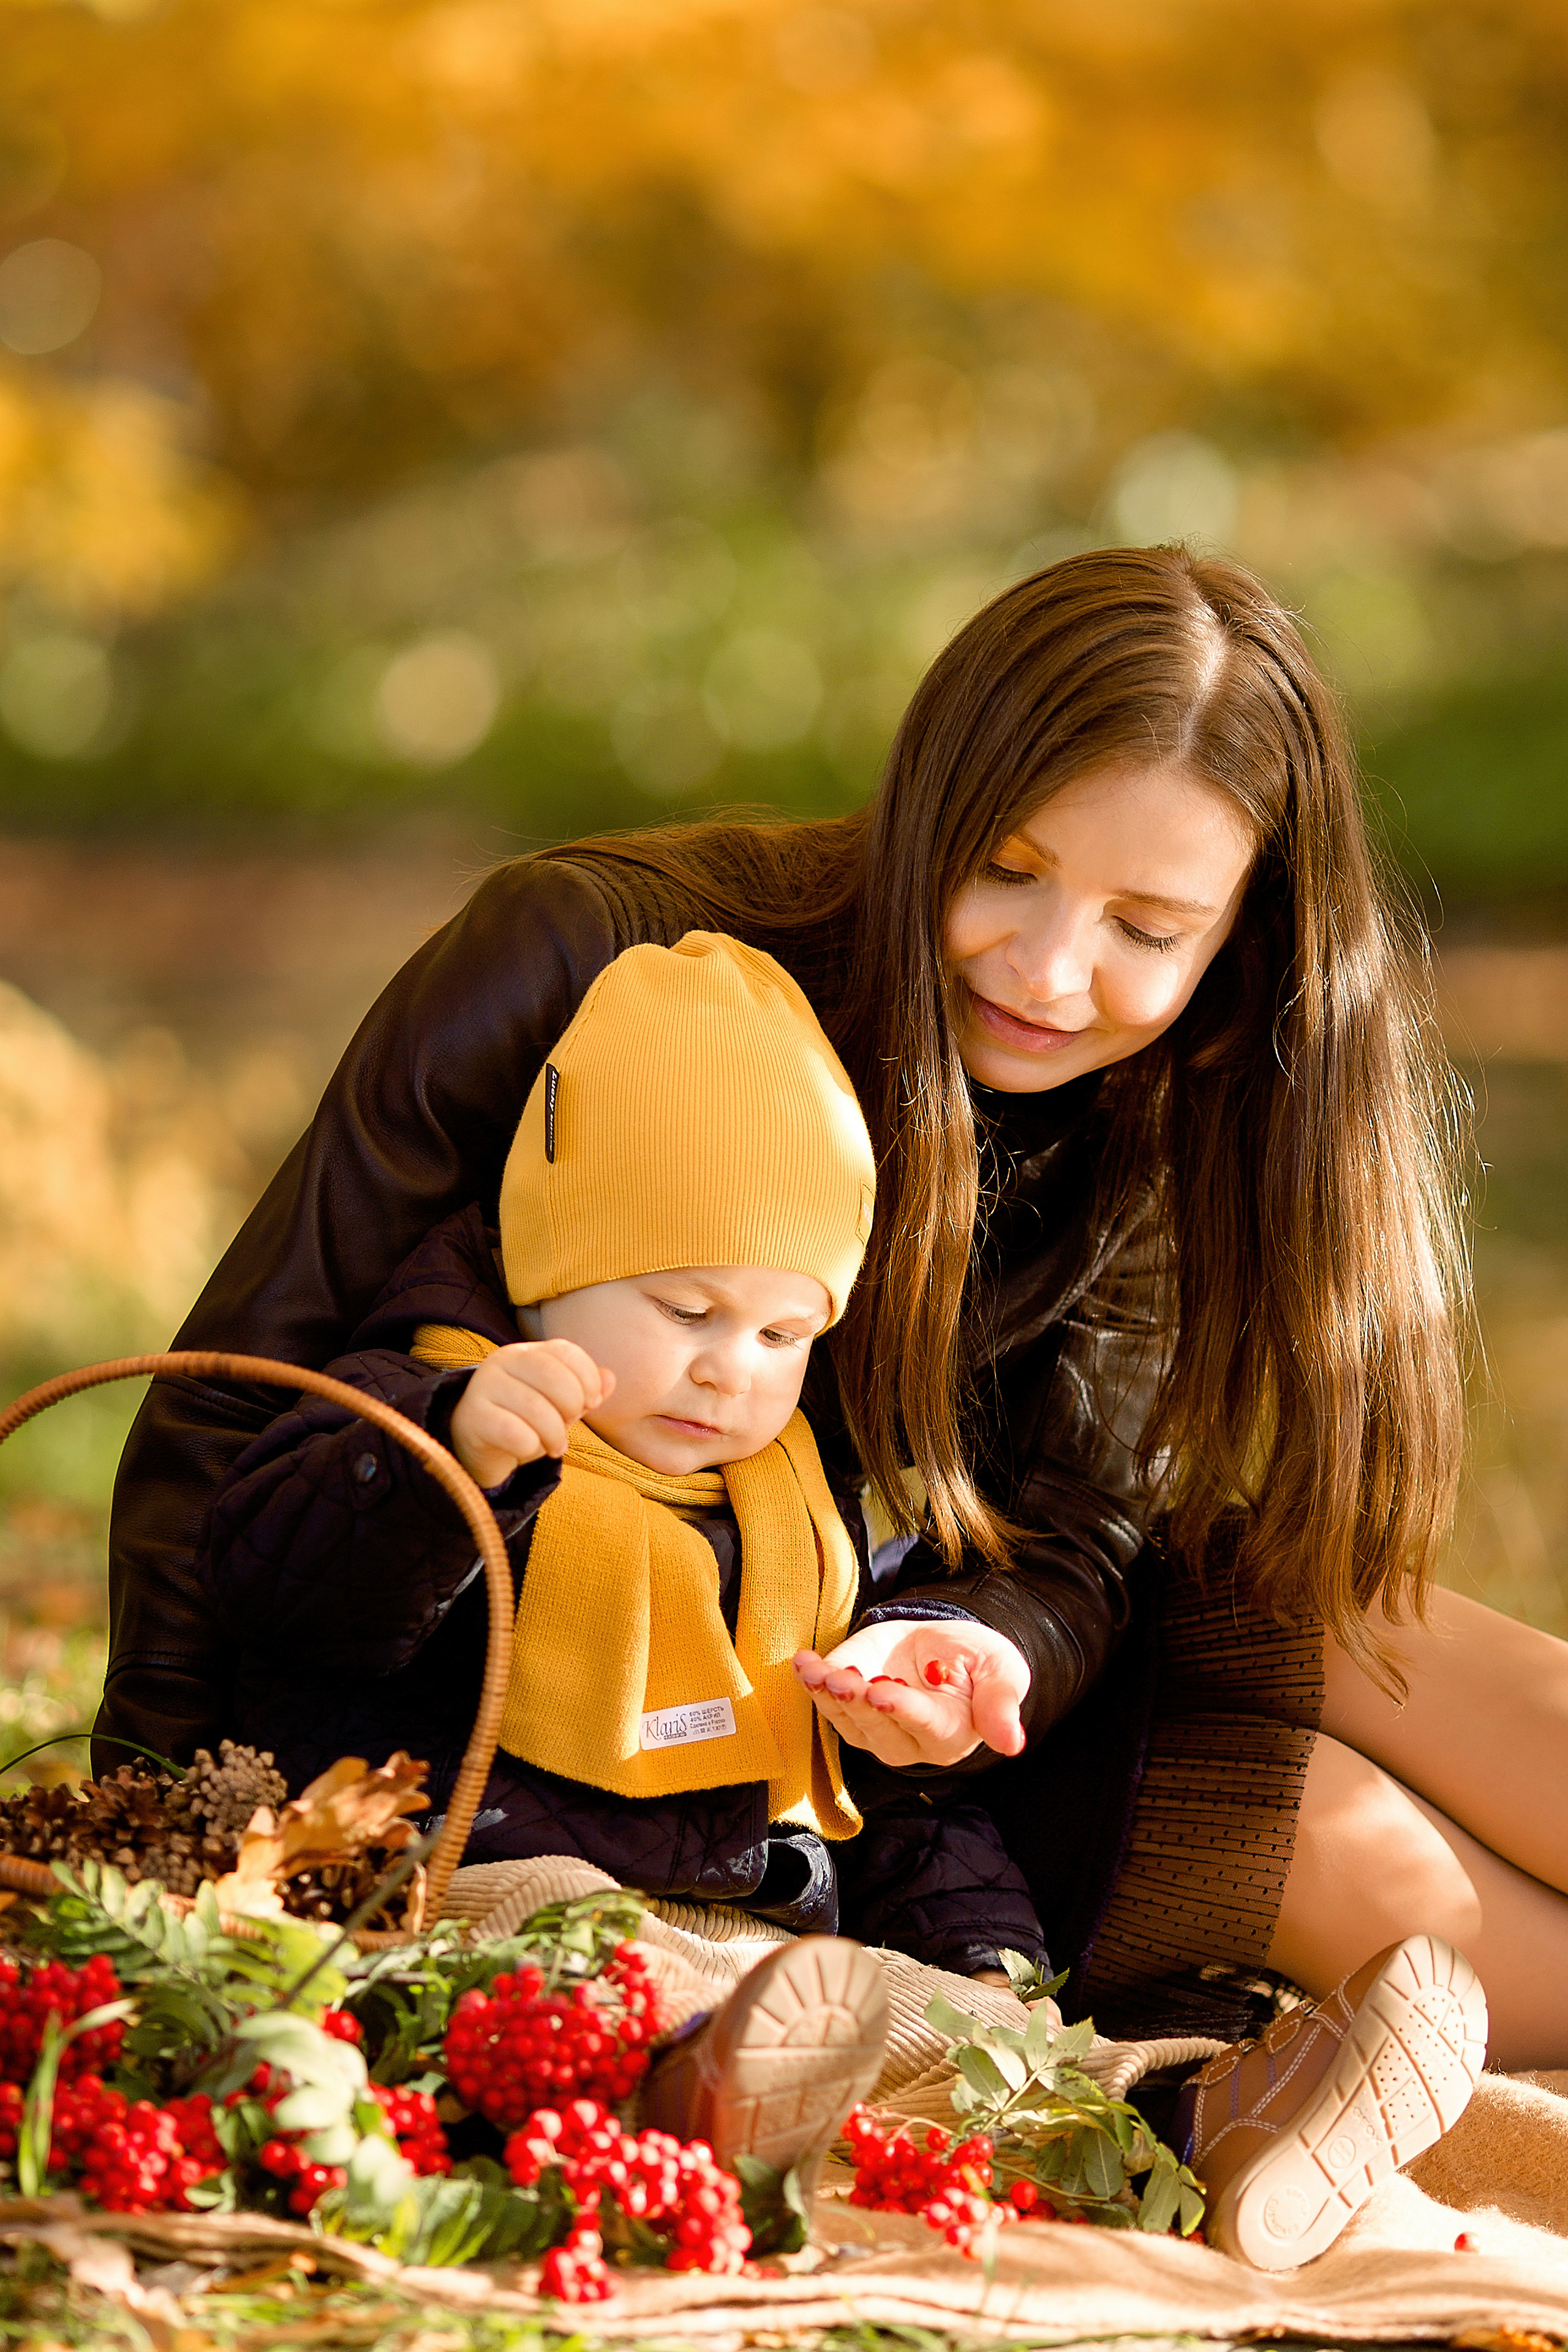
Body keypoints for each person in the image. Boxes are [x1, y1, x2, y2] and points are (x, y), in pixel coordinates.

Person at [98, 545, 1531, 2242]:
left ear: (1239, 939)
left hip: (927, 1692)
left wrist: (994, 1645)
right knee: (1347, 1845)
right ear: (935, 794)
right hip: (721, 1768)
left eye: (1150, 929)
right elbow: (233, 1403)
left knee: (1395, 1640)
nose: (1054, 974)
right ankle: (1188, 2107)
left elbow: (1084, 1529)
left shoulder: (1172, 1082)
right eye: (1007, 871)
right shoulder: (593, 959)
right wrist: (173, 1850)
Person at [198, 930, 1047, 1979]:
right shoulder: (422, 1409)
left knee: (922, 2012)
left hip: (745, 1929)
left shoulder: (796, 1511)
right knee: (586, 1942)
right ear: (556, 1264)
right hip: (469, 1893)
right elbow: (281, 1589)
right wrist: (450, 1460)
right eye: (689, 1310)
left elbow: (882, 1804)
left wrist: (981, 1949)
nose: (732, 1372)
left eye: (785, 1336)